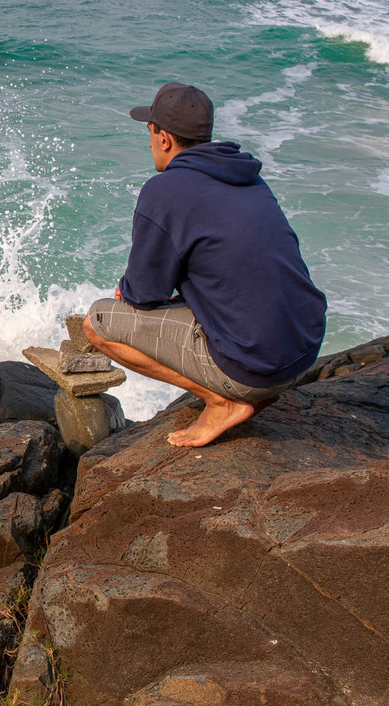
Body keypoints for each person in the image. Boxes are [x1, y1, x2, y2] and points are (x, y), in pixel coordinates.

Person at [84, 81, 327, 447]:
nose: (148, 141)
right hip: (303, 350)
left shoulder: (163, 191)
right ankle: (250, 391)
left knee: (96, 322)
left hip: (255, 368)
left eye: (149, 132)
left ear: (164, 139)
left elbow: (144, 294)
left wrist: (131, 292)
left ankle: (222, 401)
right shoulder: (249, 177)